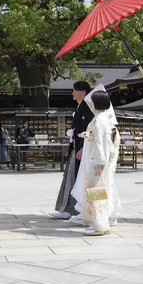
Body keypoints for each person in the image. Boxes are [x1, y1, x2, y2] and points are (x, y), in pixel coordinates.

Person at [72, 91, 121, 236]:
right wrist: (90, 136)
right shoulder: (103, 118)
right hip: (99, 160)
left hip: (98, 162)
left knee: (96, 193)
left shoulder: (100, 120)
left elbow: (102, 143)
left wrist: (99, 164)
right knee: (97, 193)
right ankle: (100, 223)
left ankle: (99, 225)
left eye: (92, 102)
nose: (90, 104)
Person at [50, 81, 93, 220]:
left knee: (80, 179)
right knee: (71, 177)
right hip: (77, 146)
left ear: (82, 91)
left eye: (74, 90)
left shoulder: (89, 109)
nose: (72, 93)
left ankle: (79, 210)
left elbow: (90, 131)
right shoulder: (81, 107)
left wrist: (82, 148)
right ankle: (68, 208)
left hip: (84, 148)